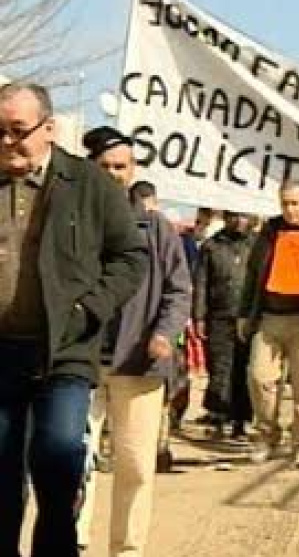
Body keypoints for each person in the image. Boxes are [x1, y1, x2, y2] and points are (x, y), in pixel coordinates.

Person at [0, 83, 148, 556]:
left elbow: (130, 257)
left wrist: (90, 309)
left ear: (49, 128)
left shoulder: (89, 184)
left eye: (17, 130)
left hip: (65, 352)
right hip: (1, 355)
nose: (6, 141)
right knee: (1, 479)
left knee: (58, 462)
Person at [75, 145, 190, 555]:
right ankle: (73, 539)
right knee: (72, 459)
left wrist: (164, 333)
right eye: (104, 166)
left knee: (136, 466)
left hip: (139, 362)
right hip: (80, 360)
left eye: (120, 166)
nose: (112, 173)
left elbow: (179, 289)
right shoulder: (71, 218)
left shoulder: (157, 229)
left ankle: (126, 549)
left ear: (132, 170)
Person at [238, 182, 299, 470]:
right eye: (284, 204)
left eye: (294, 203)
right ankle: (266, 437)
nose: (290, 209)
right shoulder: (269, 233)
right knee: (259, 378)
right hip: (269, 318)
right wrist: (244, 314)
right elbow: (252, 275)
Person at [193, 211, 255, 440]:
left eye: (243, 216)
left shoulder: (256, 245)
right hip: (218, 316)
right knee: (219, 368)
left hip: (248, 317)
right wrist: (199, 317)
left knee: (244, 368)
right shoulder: (211, 246)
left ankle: (240, 422)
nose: (239, 221)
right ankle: (217, 417)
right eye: (234, 216)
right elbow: (201, 283)